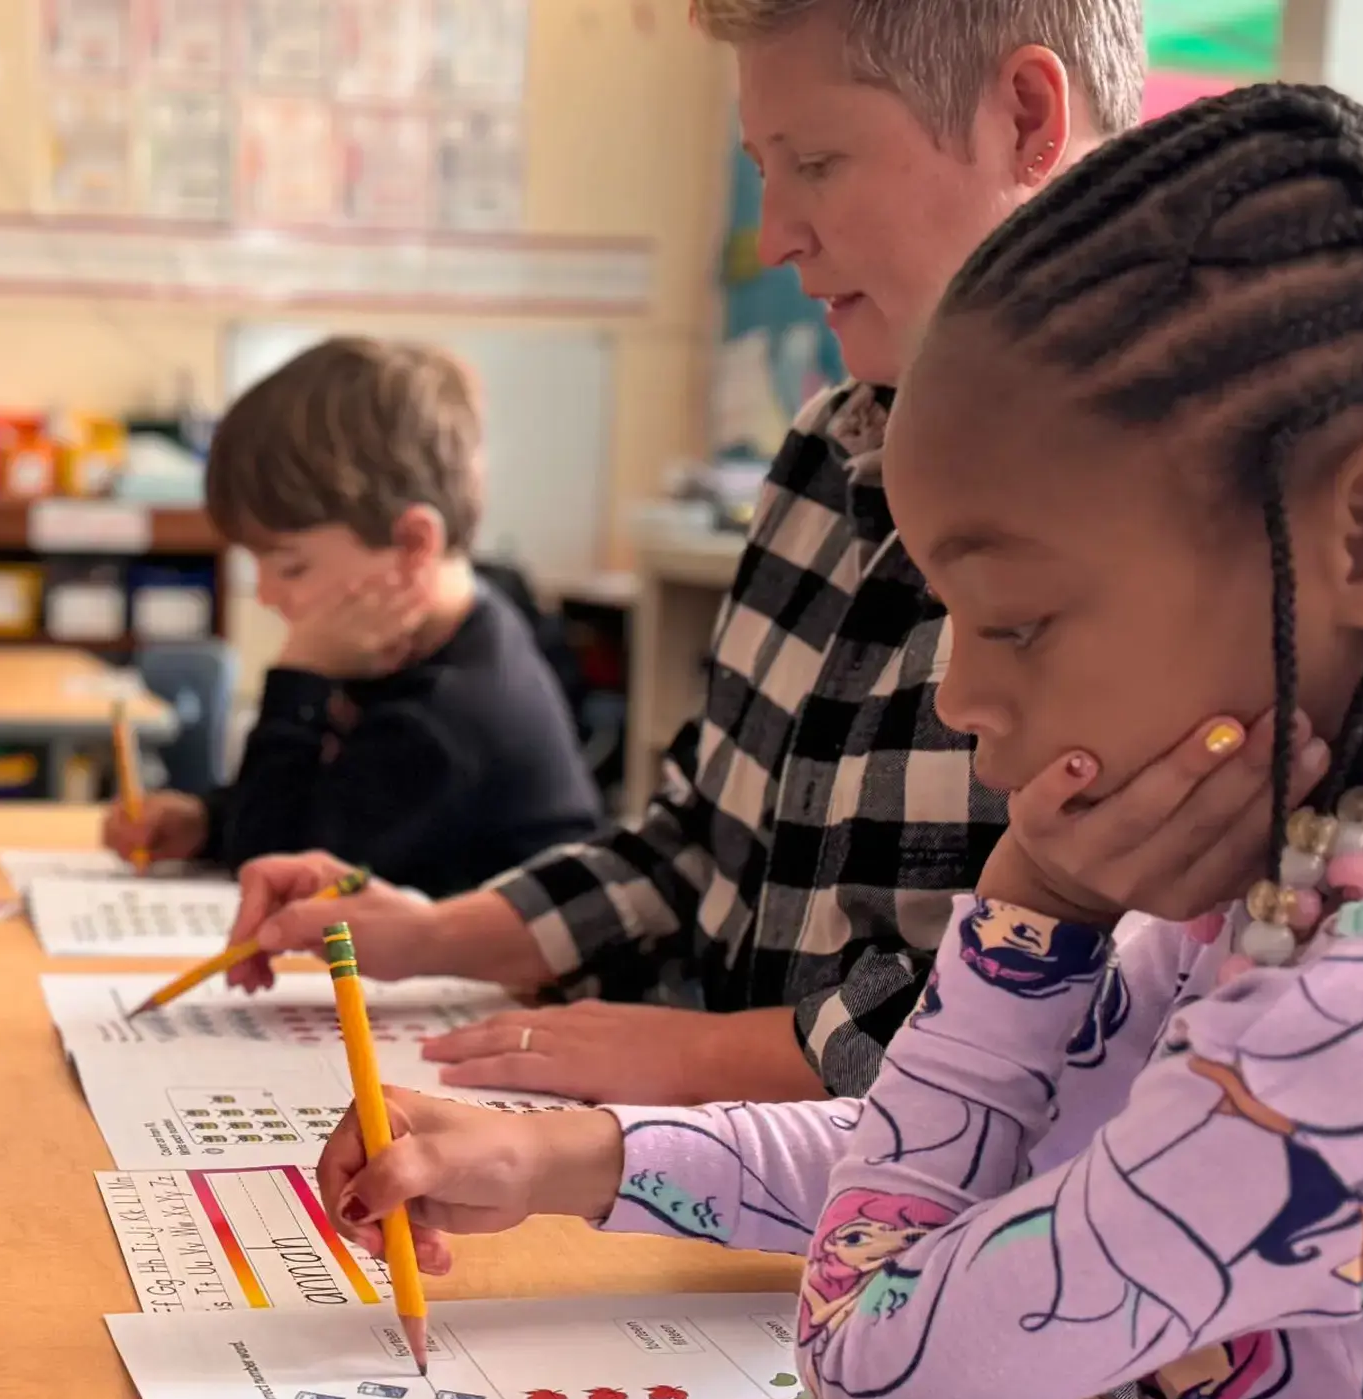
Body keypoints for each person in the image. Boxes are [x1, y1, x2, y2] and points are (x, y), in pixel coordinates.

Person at [316, 85, 1363, 1399]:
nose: (960, 694)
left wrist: (1038, 910)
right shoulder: (1323, 876)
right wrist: (572, 1154)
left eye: (1015, 620)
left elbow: (870, 1331)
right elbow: (1000, 1171)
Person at [225, 0, 1149, 1106]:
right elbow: (703, 840)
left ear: (1028, 118)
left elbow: (1074, 1008)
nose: (777, 236)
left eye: (817, 163)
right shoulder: (824, 453)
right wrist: (434, 932)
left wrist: (693, 1058)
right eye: (764, 171)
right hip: (716, 1165)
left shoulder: (1170, 519)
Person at [102, 337, 604, 898]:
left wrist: (299, 676)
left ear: (412, 546)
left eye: (291, 567)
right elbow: (334, 803)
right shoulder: (421, 643)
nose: (265, 594)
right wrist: (208, 821)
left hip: (476, 962)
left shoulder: (452, 714)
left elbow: (277, 868)